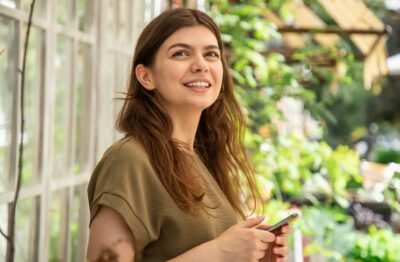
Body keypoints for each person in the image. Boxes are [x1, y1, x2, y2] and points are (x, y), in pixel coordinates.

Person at [87, 7, 291, 262]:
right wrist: (219, 252)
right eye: (181, 53)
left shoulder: (200, 158)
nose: (201, 65)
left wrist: (250, 254)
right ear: (146, 76)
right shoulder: (129, 160)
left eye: (211, 54)